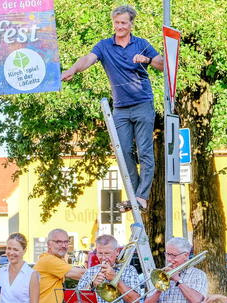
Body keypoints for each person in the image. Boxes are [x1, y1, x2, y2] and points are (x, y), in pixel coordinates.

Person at [61, 5, 164, 211]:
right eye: (116, 23)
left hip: (143, 103)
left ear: (131, 24)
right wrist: (73, 69)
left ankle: (142, 196)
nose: (119, 26)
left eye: (123, 23)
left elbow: (162, 63)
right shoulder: (105, 46)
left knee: (144, 151)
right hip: (120, 108)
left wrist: (148, 59)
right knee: (123, 152)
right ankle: (135, 199)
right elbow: (87, 59)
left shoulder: (141, 44)